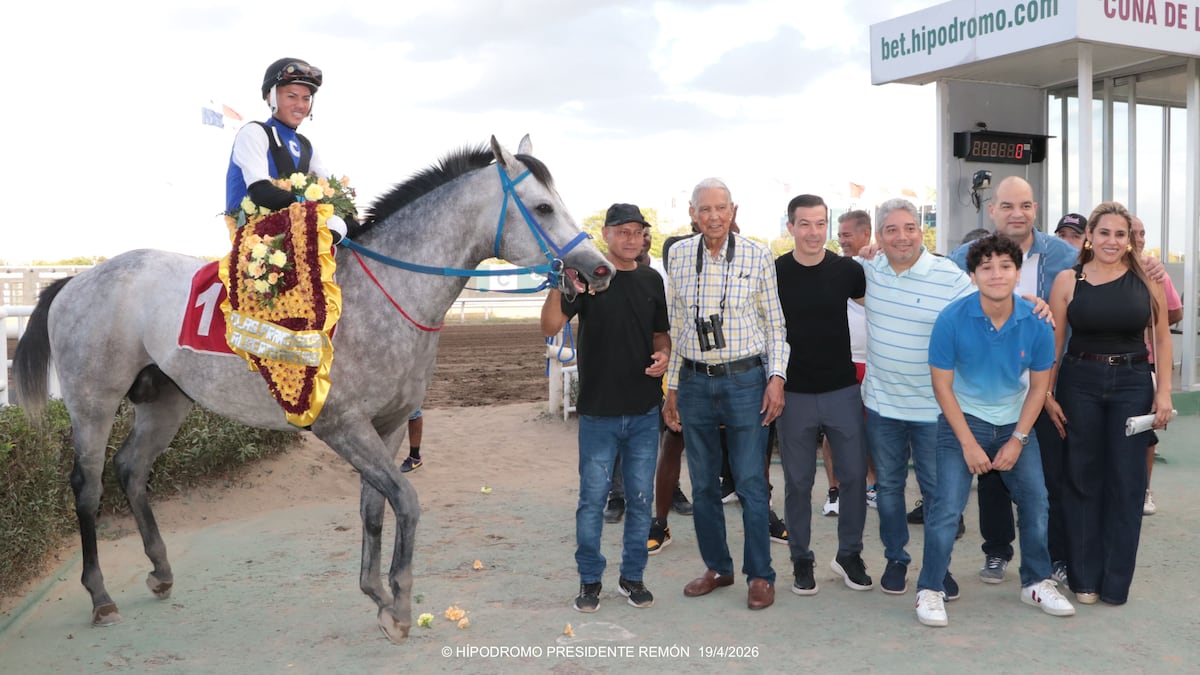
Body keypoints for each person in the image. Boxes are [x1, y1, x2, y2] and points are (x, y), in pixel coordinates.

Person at [915, 234, 1075, 627]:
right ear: (972, 276)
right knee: (946, 508)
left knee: (1036, 501)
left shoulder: (1037, 321)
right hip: (962, 422)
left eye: (1005, 266)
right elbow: (942, 387)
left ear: (1018, 273)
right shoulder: (951, 319)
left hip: (1014, 423)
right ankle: (930, 588)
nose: (996, 274)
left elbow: (1039, 388)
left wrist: (1018, 440)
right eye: (986, 267)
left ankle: (1035, 582)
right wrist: (968, 444)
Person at [662, 178, 789, 611]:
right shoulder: (679, 255)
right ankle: (717, 567)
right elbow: (677, 325)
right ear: (692, 214)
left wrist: (776, 378)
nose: (713, 216)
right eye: (705, 209)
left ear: (733, 211)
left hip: (745, 381)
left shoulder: (757, 254)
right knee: (702, 484)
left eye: (721, 208)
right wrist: (672, 387)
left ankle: (760, 575)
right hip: (695, 382)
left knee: (751, 482)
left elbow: (775, 324)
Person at [947, 177, 1080, 586]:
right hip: (991, 391)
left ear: (1035, 209)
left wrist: (1148, 264)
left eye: (1024, 205)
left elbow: (1108, 270)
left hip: (1046, 385)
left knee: (1049, 478)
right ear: (992, 211)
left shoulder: (1065, 255)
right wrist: (873, 253)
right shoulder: (963, 257)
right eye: (1007, 206)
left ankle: (1054, 558)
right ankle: (997, 551)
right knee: (992, 476)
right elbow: (928, 273)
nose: (1016, 214)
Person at [541, 203, 670, 613]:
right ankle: (589, 579)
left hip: (644, 411)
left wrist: (664, 355)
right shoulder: (589, 277)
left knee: (640, 500)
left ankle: (633, 577)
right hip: (598, 413)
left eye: (637, 232)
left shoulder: (651, 279)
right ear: (606, 235)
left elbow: (660, 334)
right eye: (622, 231)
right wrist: (561, 283)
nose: (632, 239)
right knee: (592, 500)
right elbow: (549, 326)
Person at [1046, 201, 1173, 606]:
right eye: (1104, 233)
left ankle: (1116, 583)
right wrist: (1046, 394)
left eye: (1121, 234)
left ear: (1130, 240)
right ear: (1089, 236)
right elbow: (1053, 344)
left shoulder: (1147, 279)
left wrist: (1164, 392)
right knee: (1081, 477)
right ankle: (1084, 578)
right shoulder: (1068, 280)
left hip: (1133, 384)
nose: (1112, 241)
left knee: (1127, 482)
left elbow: (1162, 339)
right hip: (1078, 382)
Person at [862, 198, 974, 597]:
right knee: (889, 490)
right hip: (882, 406)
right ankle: (896, 558)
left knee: (939, 494)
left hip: (936, 410)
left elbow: (987, 307)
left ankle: (938, 568)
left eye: (909, 228)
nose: (902, 237)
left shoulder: (949, 276)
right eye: (891, 230)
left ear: (921, 231)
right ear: (879, 236)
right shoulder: (867, 271)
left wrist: (1032, 303)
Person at [774, 195, 872, 596]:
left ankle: (849, 554)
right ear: (791, 227)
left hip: (842, 390)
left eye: (820, 224)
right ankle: (801, 557)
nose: (813, 232)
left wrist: (877, 258)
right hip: (793, 393)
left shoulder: (848, 270)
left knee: (854, 477)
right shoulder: (775, 271)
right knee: (797, 483)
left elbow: (882, 304)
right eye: (805, 224)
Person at [225, 57, 348, 242]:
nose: (300, 105)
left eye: (306, 99)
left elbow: (332, 194)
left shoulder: (306, 146)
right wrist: (309, 207)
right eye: (292, 96)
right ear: (270, 96)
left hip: (296, 235)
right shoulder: (254, 132)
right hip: (254, 243)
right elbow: (261, 192)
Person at [1130, 215, 1183, 516]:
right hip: (1114, 363)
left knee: (1146, 433)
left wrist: (1150, 324)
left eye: (1142, 233)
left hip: (1146, 362)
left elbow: (1175, 312)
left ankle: (1145, 490)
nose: (1139, 239)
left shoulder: (1155, 272)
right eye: (1133, 233)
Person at [828, 209, 878, 511]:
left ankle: (873, 484)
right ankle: (834, 490)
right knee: (834, 429)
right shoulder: (835, 267)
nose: (842, 240)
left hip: (875, 364)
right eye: (840, 235)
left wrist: (878, 252)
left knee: (874, 430)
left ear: (865, 234)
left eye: (847, 234)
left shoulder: (883, 263)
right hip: (843, 362)